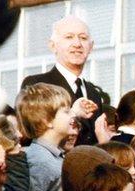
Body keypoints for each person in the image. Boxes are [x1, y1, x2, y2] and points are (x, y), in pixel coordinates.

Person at [20, 15, 105, 146]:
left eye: (83, 38)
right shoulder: (37, 84)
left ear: (91, 46)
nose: (77, 44)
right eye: (69, 37)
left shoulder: (93, 92)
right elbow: (31, 133)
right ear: (53, 46)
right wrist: (74, 113)